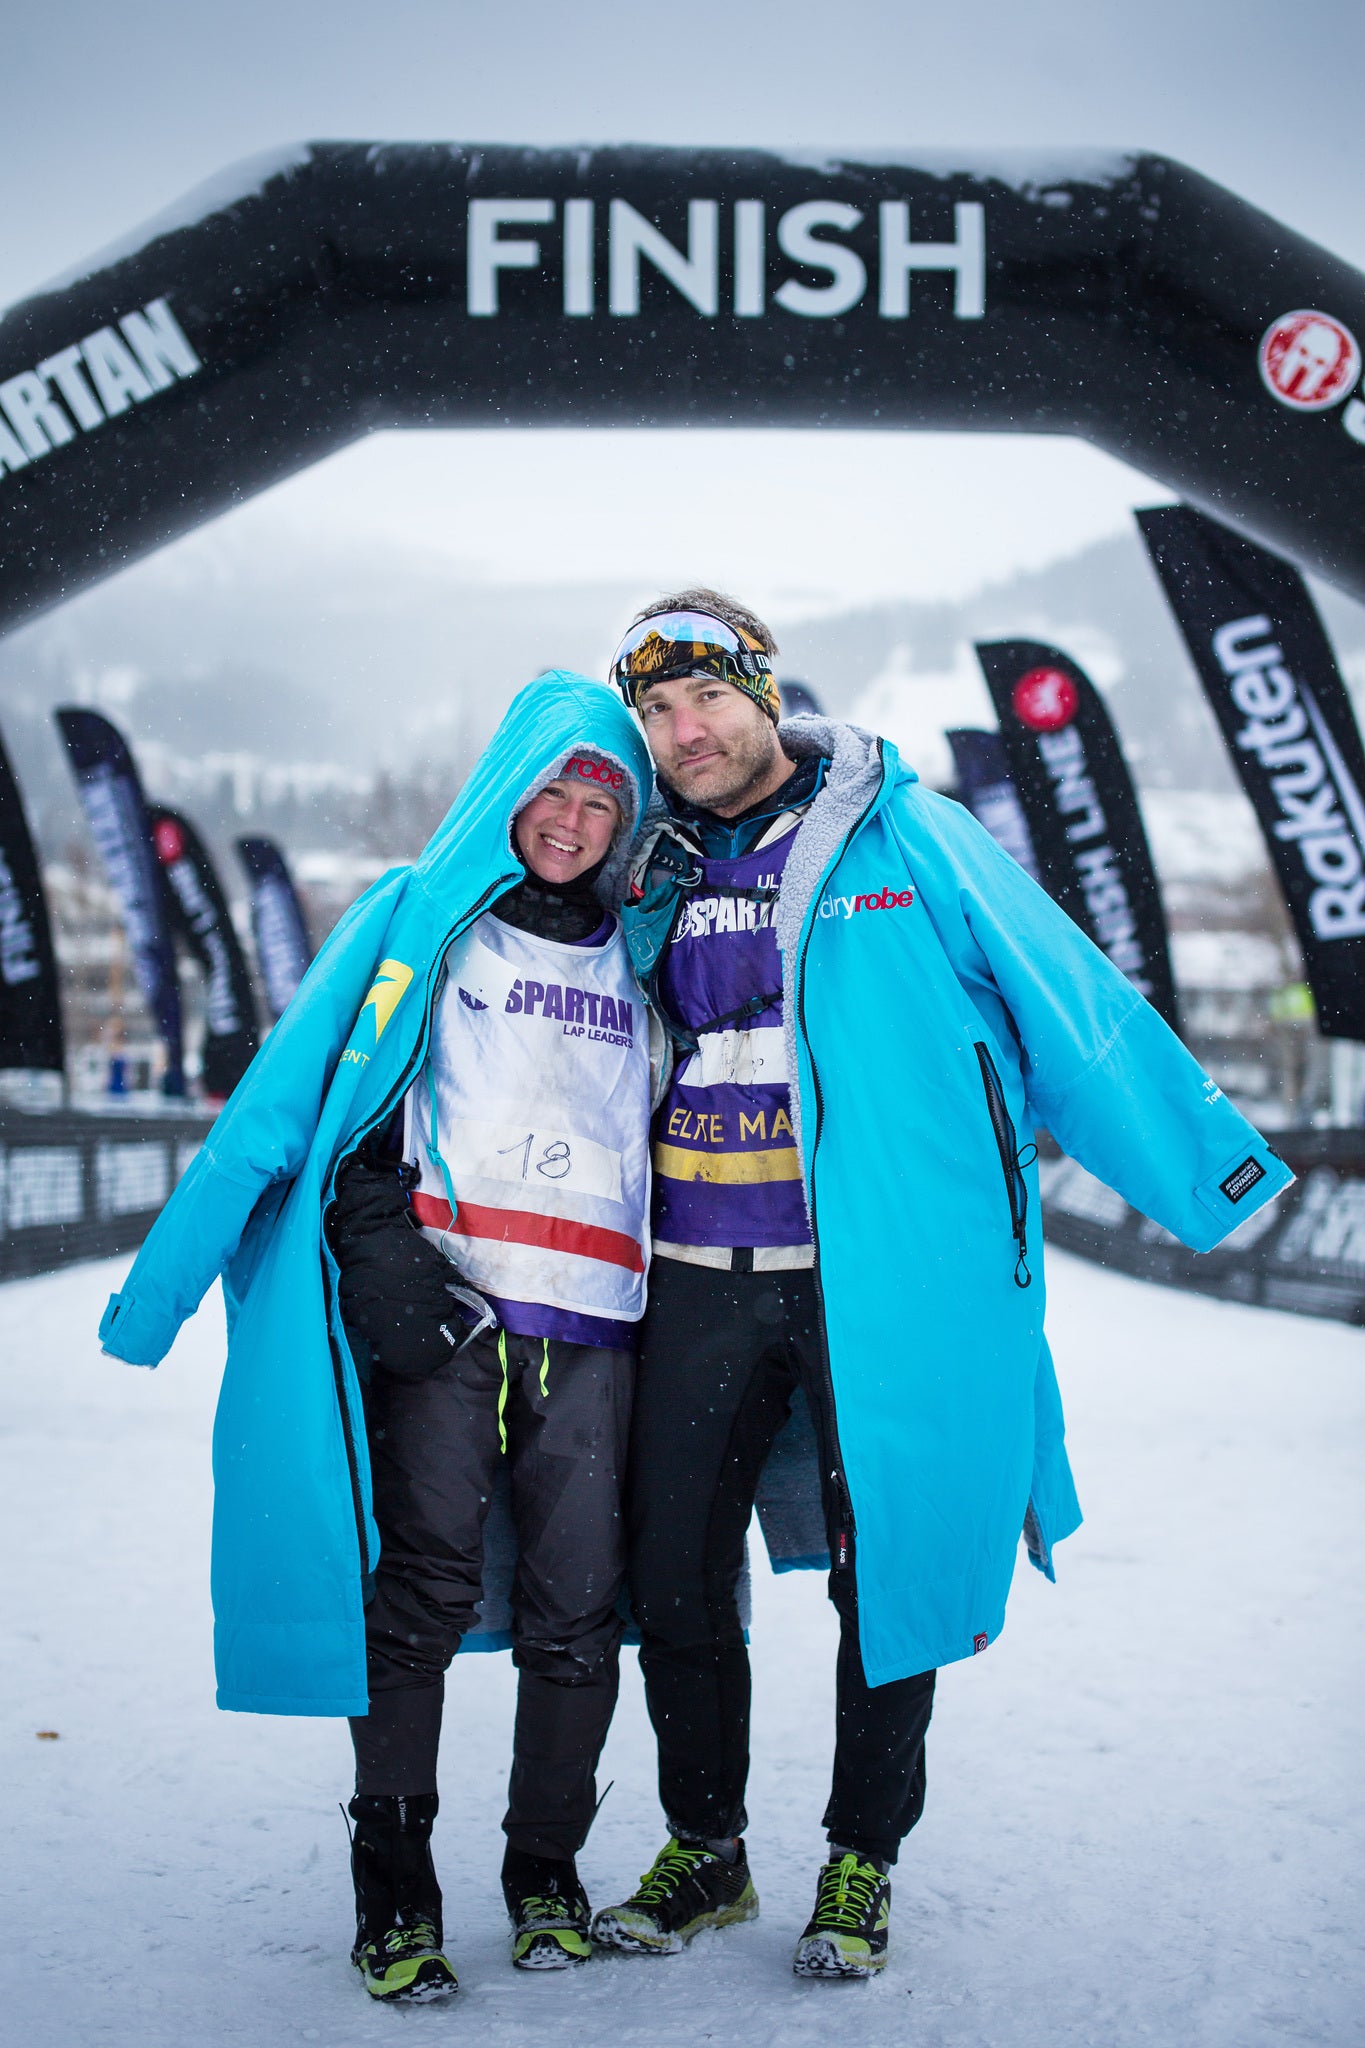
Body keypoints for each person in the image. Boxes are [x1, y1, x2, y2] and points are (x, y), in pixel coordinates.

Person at [588, 591, 1292, 1980]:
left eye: (706, 699)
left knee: (889, 1567)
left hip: (883, 1277)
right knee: (666, 1575)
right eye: (657, 714)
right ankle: (707, 1849)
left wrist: (1213, 1171)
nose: (684, 732)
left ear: (762, 691)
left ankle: (860, 1858)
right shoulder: (648, 865)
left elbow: (1067, 1001)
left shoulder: (906, 833)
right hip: (693, 1275)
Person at [97, 673, 658, 2002]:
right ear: (508, 787)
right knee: (420, 1599)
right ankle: (393, 1891)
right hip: (454, 1321)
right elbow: (299, 1099)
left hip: (599, 1326)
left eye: (602, 799)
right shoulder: (418, 914)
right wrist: (333, 1252)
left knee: (580, 1613)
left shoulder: (647, 945)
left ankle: (545, 1874)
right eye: (554, 789)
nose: (573, 820)